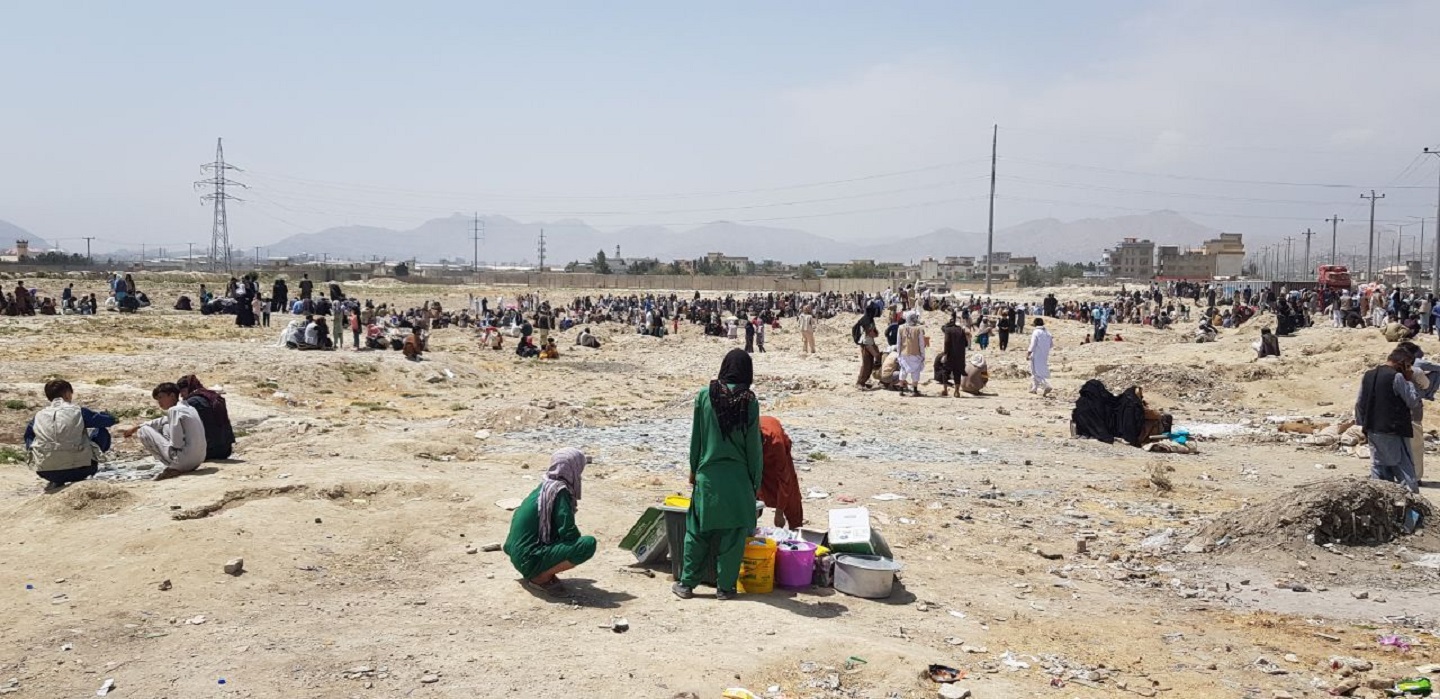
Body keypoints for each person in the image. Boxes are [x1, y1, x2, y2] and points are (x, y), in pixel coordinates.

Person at [674, 349, 762, 601]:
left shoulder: (705, 395)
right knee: (733, 535)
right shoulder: (749, 400)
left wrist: (693, 470)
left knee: (697, 531)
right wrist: (755, 481)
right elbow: (754, 448)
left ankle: (687, 584)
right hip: (738, 479)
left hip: (708, 476)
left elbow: (697, 438)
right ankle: (725, 588)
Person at [502, 448, 596, 597]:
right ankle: (540, 577)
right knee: (587, 544)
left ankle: (539, 569)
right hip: (528, 558)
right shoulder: (559, 491)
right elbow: (568, 530)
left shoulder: (544, 487)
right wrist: (569, 549)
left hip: (515, 553)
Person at [24, 380, 116, 489]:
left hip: (46, 472)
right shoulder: (78, 411)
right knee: (101, 431)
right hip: (81, 469)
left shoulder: (38, 416)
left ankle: (56, 479)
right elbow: (108, 421)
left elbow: (28, 437)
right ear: (67, 394)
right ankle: (82, 470)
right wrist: (105, 415)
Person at [1355, 349, 1421, 493]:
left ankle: (1383, 507)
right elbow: (1412, 401)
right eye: (1408, 365)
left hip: (1373, 430)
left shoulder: (1368, 375)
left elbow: (1360, 403)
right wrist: (1409, 381)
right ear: (1402, 363)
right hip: (1394, 430)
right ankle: (1413, 511)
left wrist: (1363, 426)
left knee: (1379, 469)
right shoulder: (1397, 377)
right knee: (1405, 470)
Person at [124, 382, 207, 480]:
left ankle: (173, 467)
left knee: (143, 431)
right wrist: (135, 427)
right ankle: (177, 463)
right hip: (198, 460)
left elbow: (177, 444)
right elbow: (162, 420)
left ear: (172, 395)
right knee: (165, 426)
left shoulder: (174, 410)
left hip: (184, 461)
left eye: (161, 397)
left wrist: (140, 429)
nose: (159, 402)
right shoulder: (189, 408)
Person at [758, 416, 803, 529]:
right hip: (759, 462)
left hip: (775, 455)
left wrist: (779, 513)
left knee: (791, 497)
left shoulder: (776, 443)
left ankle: (796, 531)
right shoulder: (745, 437)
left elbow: (784, 478)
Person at [177, 374, 235, 461]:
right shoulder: (211, 396)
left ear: (188, 388)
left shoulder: (192, 401)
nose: (181, 395)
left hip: (210, 451)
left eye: (182, 391)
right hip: (226, 450)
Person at [896, 311, 926, 397]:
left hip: (903, 354)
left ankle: (901, 390)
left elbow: (898, 343)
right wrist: (923, 355)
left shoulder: (900, 328)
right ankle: (914, 390)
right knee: (915, 372)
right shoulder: (918, 329)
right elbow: (921, 344)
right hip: (915, 354)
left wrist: (899, 354)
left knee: (903, 371)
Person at [941, 314, 968, 399]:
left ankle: (945, 390)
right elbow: (966, 344)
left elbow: (946, 342)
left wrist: (945, 353)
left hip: (950, 355)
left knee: (945, 371)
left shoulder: (948, 330)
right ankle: (957, 391)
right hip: (959, 356)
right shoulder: (960, 330)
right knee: (957, 373)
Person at [1027, 318, 1054, 396]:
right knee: (1038, 370)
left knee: (1035, 372)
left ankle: (1046, 385)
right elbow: (1051, 345)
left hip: (1036, 354)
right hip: (1044, 354)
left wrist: (1028, 353)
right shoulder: (1048, 333)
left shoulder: (1036, 332)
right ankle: (1034, 389)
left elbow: (1033, 344)